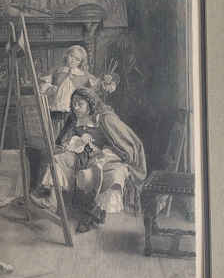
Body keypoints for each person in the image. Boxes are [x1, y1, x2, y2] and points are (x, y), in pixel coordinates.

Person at [32, 87, 146, 232]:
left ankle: (94, 215)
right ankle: (52, 200)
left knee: (113, 175)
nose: (75, 107)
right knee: (59, 159)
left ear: (90, 104)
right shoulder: (74, 118)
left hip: (109, 156)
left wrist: (102, 151)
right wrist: (72, 142)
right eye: (73, 104)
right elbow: (63, 140)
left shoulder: (105, 118)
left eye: (80, 104)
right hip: (83, 155)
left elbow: (126, 143)